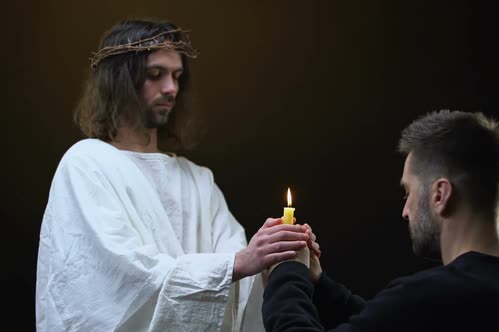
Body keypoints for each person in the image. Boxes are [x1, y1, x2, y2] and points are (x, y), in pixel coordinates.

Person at [35, 18, 318, 331]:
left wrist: (275, 259)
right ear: (118, 81)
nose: (171, 88)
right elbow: (119, 279)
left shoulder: (197, 180)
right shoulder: (86, 164)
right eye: (155, 75)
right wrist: (239, 262)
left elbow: (240, 276)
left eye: (177, 76)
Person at [262, 110, 499, 331]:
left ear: (440, 194)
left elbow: (408, 312)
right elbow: (387, 319)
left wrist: (287, 272)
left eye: (408, 191)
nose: (405, 210)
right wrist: (319, 284)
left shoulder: (437, 296)